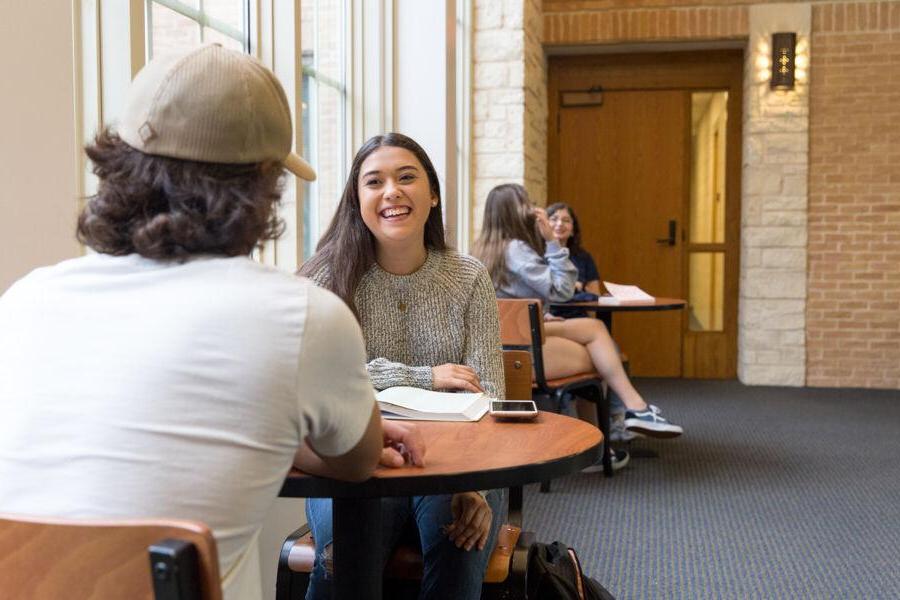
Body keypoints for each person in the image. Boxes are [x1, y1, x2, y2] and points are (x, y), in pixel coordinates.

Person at [0, 45, 424, 600]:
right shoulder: (302, 316)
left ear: (119, 161)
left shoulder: (25, 299)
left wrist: (276, 431)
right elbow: (357, 462)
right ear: (263, 185)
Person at [299, 132, 506, 600]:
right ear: (358, 201)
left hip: (455, 460)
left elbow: (487, 390)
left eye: (406, 177)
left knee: (461, 539)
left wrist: (477, 486)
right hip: (353, 455)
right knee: (345, 553)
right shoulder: (323, 277)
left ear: (432, 195)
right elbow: (315, 384)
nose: (391, 191)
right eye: (374, 182)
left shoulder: (469, 276)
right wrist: (423, 375)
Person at [472, 183, 683, 448]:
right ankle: (612, 429)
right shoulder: (516, 249)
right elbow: (562, 290)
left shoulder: (482, 249)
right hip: (520, 358)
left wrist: (540, 315)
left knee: (595, 333)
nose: (531, 208)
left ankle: (617, 425)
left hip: (499, 349)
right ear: (515, 211)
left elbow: (505, 305)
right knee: (603, 353)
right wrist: (551, 242)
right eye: (525, 202)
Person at [546, 202, 634, 443]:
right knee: (604, 356)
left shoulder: (583, 258)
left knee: (614, 352)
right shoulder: (537, 255)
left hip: (581, 323)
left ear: (573, 229)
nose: (559, 224)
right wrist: (572, 287)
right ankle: (581, 426)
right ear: (544, 223)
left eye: (566, 220)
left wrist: (581, 289)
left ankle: (616, 421)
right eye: (554, 219)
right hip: (552, 323)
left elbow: (595, 296)